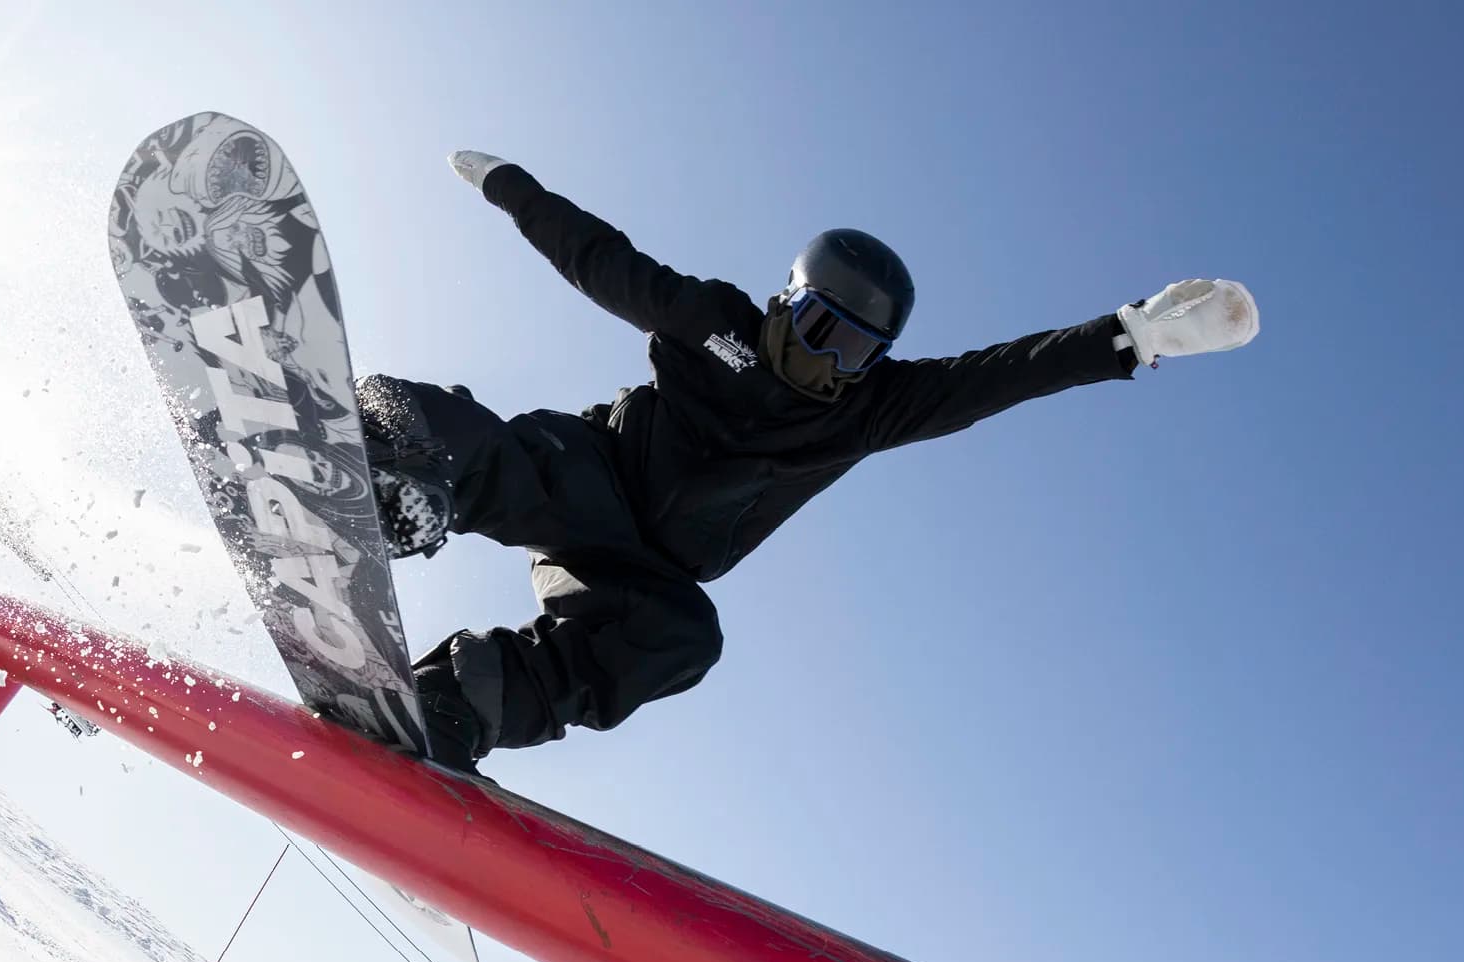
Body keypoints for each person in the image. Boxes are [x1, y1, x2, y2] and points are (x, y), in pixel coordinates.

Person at [361, 151, 1260, 776]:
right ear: (790, 302)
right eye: (825, 332)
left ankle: (459, 706)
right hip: (592, 476)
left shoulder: (869, 410)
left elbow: (999, 376)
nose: (834, 367)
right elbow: (602, 260)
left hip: (644, 572)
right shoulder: (713, 320)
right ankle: (386, 461)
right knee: (509, 455)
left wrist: (1130, 336)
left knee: (685, 638)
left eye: (860, 354)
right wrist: (509, 187)